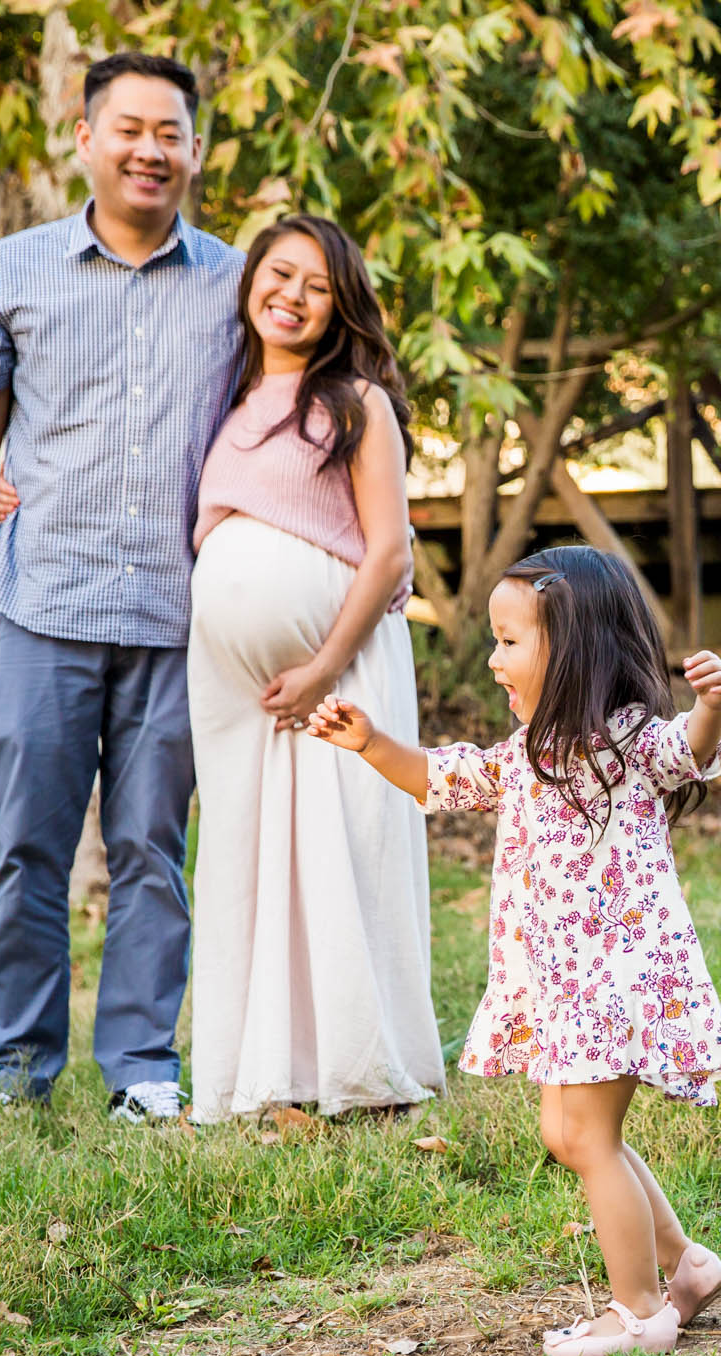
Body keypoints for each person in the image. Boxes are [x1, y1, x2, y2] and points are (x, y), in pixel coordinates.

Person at [307, 544, 721, 1356]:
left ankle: (639, 1311)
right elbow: (447, 774)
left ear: (574, 646)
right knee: (580, 1132)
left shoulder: (626, 744)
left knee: (582, 1135)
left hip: (615, 978)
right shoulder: (529, 755)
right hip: (564, 984)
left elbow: (687, 747)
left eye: (510, 641)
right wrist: (371, 743)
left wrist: (712, 704)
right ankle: (685, 1264)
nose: (492, 658)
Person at [0, 53, 243, 1126]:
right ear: (84, 139)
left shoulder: (237, 282)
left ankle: (143, 1069)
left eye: (171, 133)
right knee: (26, 845)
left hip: (177, 618)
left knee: (155, 849)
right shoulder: (10, 270)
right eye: (129, 128)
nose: (150, 150)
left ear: (195, 152)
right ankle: (14, 1067)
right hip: (40, 610)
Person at [179, 214, 439, 1121]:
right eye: (279, 275)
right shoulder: (221, 397)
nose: (291, 295)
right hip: (234, 689)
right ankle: (258, 1076)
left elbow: (390, 555)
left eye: (316, 285)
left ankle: (365, 1071)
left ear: (340, 308)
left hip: (343, 664)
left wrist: (326, 665)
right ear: (251, 281)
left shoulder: (357, 402)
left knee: (343, 849)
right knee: (245, 860)